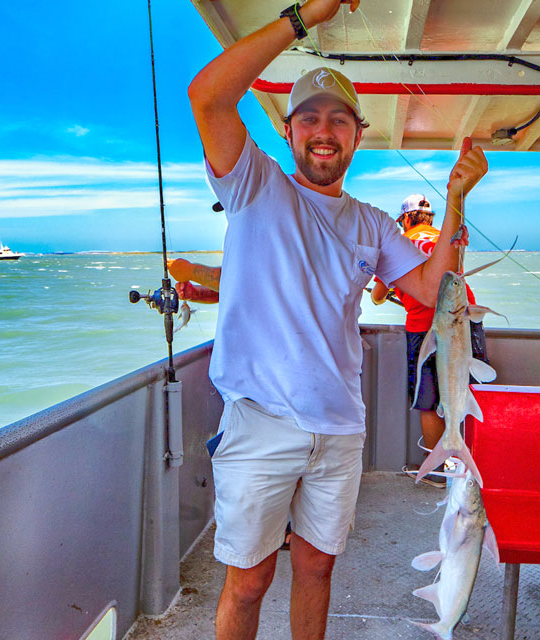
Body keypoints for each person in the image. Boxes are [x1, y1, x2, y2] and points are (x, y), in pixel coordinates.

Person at [185, 1, 488, 637]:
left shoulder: (373, 223)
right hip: (260, 422)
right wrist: (304, 18)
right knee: (249, 580)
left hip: (340, 428)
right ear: (290, 134)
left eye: (339, 121)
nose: (324, 131)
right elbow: (209, 95)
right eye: (310, 119)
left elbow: (431, 288)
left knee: (319, 569)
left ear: (357, 135)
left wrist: (456, 200)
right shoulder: (254, 185)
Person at [370, 194, 490, 488]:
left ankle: (440, 472)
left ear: (406, 220)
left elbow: (376, 296)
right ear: (430, 219)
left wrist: (395, 290)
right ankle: (476, 467)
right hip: (465, 320)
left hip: (425, 328)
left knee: (429, 401)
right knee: (474, 391)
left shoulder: (398, 244)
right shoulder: (443, 237)